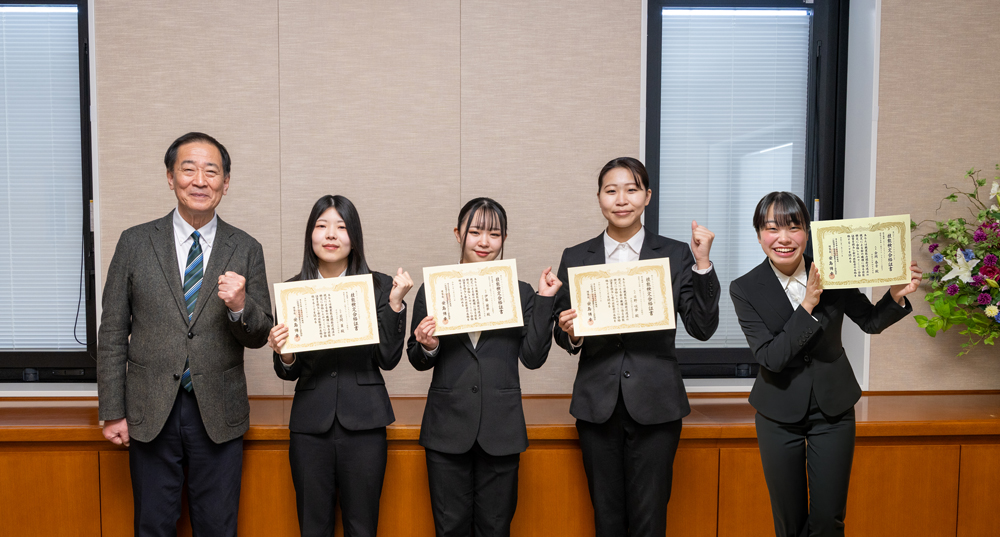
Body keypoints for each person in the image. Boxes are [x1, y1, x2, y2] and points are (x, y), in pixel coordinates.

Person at [97, 132, 272, 536]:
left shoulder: (246, 247)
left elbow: (260, 334)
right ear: (170, 177)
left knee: (218, 525)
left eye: (211, 172)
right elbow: (111, 331)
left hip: (218, 410)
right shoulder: (135, 242)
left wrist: (240, 307)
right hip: (149, 408)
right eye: (188, 169)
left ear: (226, 183)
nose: (200, 180)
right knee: (153, 524)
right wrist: (112, 409)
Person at [730, 191, 922, 537]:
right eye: (772, 228)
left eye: (794, 227)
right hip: (777, 411)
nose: (784, 238)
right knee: (789, 523)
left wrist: (895, 296)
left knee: (828, 521)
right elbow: (770, 357)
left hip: (832, 408)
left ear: (808, 232)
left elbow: (870, 322)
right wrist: (806, 306)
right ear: (759, 234)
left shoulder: (834, 268)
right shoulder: (744, 288)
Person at [552, 157, 720, 537]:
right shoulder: (576, 257)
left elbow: (702, 327)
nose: (621, 199)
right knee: (606, 518)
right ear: (599, 198)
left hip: (657, 405)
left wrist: (703, 263)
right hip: (597, 406)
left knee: (650, 519)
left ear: (647, 196)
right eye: (611, 191)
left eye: (631, 189)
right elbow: (564, 336)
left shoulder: (677, 255)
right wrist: (571, 332)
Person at [407, 197, 561, 537]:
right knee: (449, 528)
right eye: (475, 231)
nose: (484, 241)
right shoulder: (433, 288)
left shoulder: (522, 293)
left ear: (504, 238)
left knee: (496, 528)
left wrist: (545, 299)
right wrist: (428, 346)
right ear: (458, 233)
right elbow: (415, 359)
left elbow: (533, 358)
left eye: (494, 233)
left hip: (501, 429)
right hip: (447, 429)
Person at [267, 195, 412, 537]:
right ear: (310, 236)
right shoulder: (292, 290)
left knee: (362, 527)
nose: (331, 234)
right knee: (312, 527)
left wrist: (393, 305)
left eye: (341, 227)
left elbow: (388, 360)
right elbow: (288, 369)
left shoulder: (379, 285)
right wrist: (284, 352)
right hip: (310, 424)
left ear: (354, 237)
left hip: (364, 422)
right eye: (322, 226)